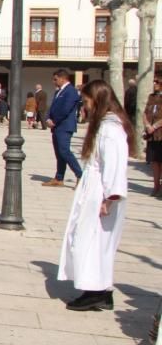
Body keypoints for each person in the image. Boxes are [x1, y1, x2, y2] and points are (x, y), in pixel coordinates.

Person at [57, 80, 134, 311]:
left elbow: (114, 167)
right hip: (93, 190)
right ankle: (99, 288)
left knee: (92, 241)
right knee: (89, 239)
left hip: (101, 193)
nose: (85, 106)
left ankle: (95, 290)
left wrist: (109, 199)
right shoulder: (104, 126)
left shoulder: (111, 130)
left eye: (88, 101)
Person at [44, 68, 83, 187]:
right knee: (59, 153)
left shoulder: (71, 91)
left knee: (64, 151)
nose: (54, 82)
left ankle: (80, 175)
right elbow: (53, 107)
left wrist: (54, 121)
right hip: (56, 126)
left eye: (55, 79)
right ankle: (59, 178)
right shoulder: (58, 91)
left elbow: (66, 109)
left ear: (62, 78)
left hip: (64, 126)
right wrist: (48, 118)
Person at [143, 75, 162, 196]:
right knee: (154, 161)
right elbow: (144, 113)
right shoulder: (151, 97)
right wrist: (147, 125)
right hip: (152, 134)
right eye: (154, 82)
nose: (154, 84)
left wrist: (155, 126)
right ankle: (156, 186)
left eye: (157, 82)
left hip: (160, 133)